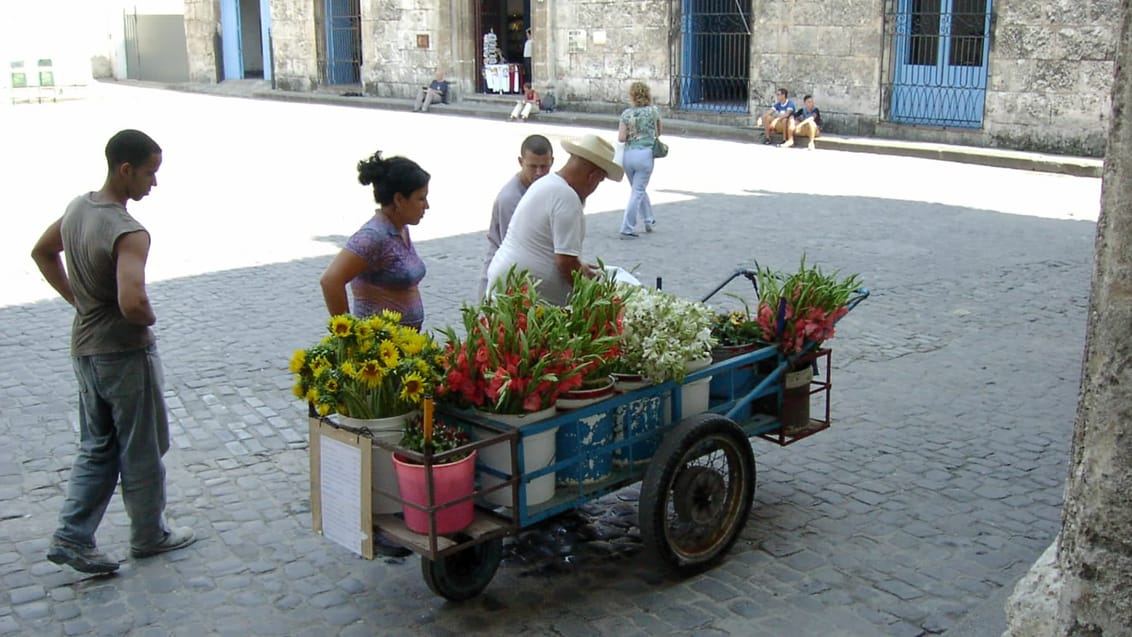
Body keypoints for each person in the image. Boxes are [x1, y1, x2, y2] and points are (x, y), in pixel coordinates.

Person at [30, 129, 195, 574]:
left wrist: (78, 301)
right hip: (122, 353)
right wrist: (148, 319)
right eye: (149, 174)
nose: (153, 184)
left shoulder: (77, 208)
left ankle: (72, 535)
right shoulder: (129, 231)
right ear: (125, 170)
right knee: (141, 445)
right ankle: (149, 534)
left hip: (85, 348)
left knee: (98, 446)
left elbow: (43, 252)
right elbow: (133, 301)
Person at [485, 134, 623, 305]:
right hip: (518, 293)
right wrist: (596, 298)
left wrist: (581, 268)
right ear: (592, 176)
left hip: (509, 285)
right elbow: (566, 263)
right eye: (599, 181)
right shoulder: (566, 196)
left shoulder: (549, 183)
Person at [320, 151, 431, 331]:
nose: (426, 206)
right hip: (379, 347)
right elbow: (331, 281)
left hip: (406, 345)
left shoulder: (401, 229)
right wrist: (348, 335)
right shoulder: (373, 236)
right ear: (399, 199)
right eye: (421, 198)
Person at [477, 134, 555, 299]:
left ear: (552, 161)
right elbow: (518, 248)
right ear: (521, 162)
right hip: (503, 281)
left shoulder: (546, 187)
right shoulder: (511, 198)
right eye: (533, 166)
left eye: (544, 166)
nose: (539, 172)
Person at [617, 80, 662, 239]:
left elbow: (621, 138)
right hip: (645, 153)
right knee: (638, 190)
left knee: (637, 189)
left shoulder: (626, 114)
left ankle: (648, 219)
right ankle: (627, 228)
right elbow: (659, 132)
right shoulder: (653, 111)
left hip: (628, 155)